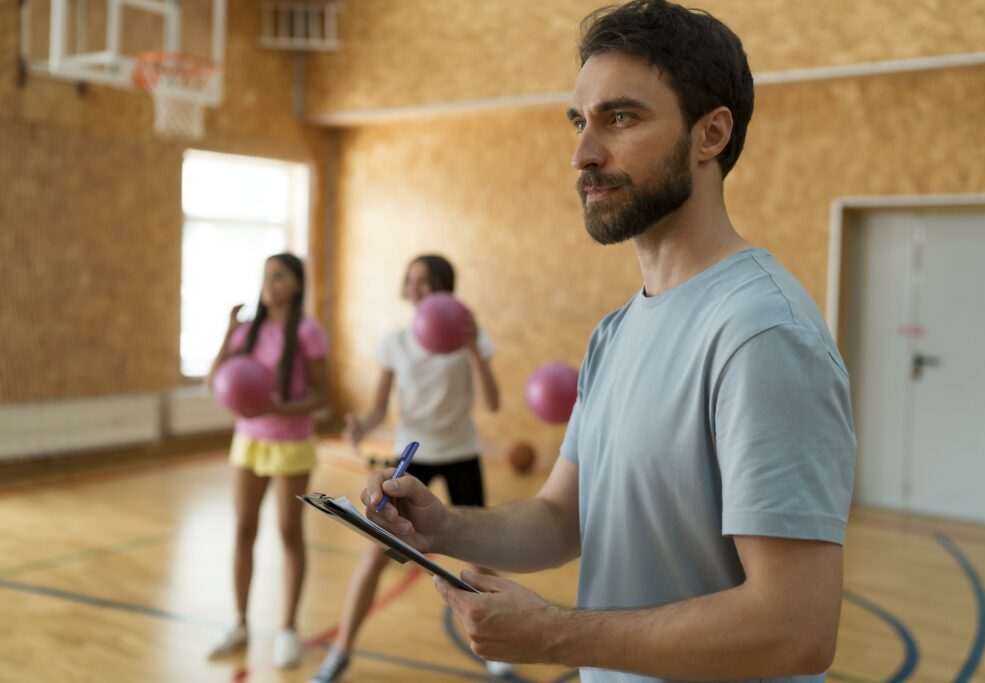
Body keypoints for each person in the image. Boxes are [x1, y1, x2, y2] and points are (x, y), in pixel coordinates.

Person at [358, 2, 857, 682]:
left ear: (709, 134)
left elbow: (795, 628)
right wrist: (442, 528)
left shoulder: (762, 333)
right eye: (579, 120)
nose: (583, 154)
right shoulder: (617, 331)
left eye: (620, 118)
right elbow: (563, 518)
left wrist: (556, 634)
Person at [310, 254, 508, 683]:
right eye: (412, 281)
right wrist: (361, 424)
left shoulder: (470, 341)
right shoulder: (396, 342)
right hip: (412, 459)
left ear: (446, 291)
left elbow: (492, 403)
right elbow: (379, 408)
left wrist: (472, 347)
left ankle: (500, 648)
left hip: (461, 454)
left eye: (429, 282)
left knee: (481, 556)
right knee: (377, 555)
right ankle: (341, 650)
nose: (418, 289)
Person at [206, 253, 329, 669]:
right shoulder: (246, 331)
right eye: (266, 276)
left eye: (278, 276)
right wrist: (227, 330)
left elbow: (322, 395)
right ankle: (239, 622)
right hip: (249, 441)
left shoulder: (308, 331)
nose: (269, 283)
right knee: (243, 529)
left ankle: (288, 629)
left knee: (289, 532)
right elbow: (214, 382)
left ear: (296, 284)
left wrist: (280, 407)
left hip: (291, 443)